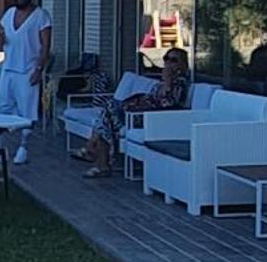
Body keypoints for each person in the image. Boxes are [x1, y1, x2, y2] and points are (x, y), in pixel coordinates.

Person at [74, 45, 190, 177]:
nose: (168, 62)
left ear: (182, 65)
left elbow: (168, 104)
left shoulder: (181, 83)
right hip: (139, 114)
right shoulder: (164, 81)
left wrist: (168, 82)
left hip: (153, 120)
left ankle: (95, 154)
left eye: (173, 60)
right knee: (106, 118)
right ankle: (101, 162)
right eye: (166, 58)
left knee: (108, 114)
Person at [0, 0, 51, 164]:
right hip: (8, 69)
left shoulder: (41, 16)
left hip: (28, 70)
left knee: (27, 111)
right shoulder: (9, 14)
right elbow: (2, 40)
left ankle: (23, 147)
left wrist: (39, 69)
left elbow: (45, 46)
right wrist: (0, 39)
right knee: (1, 108)